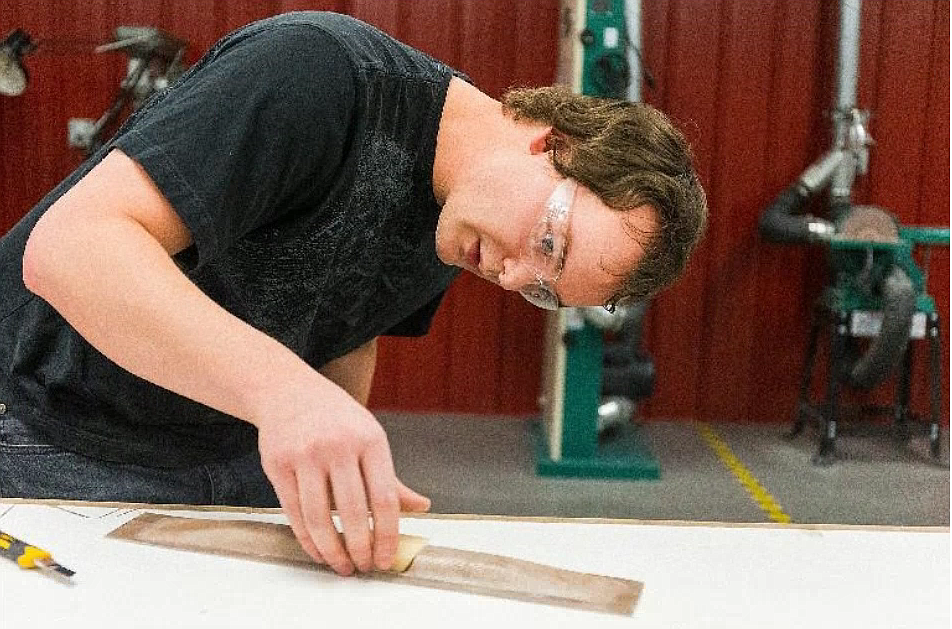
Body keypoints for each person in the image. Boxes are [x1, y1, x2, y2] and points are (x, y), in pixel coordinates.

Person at [0, 12, 707, 576]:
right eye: (551, 245)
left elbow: (348, 327)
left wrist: (340, 468)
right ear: (553, 144)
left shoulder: (467, 222)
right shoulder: (318, 73)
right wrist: (287, 395)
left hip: (225, 460)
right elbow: (69, 248)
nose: (519, 276)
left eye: (546, 290)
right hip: (41, 432)